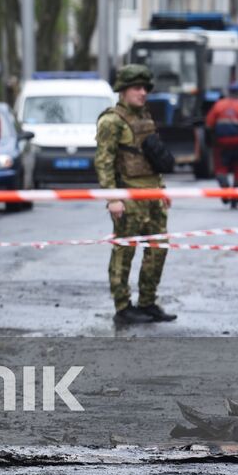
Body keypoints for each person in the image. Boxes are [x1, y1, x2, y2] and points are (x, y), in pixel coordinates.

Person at [95, 64, 176, 326]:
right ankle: (123, 307)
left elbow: (151, 156)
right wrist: (113, 198)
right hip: (128, 198)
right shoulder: (111, 121)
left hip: (152, 196)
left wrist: (161, 189)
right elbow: (104, 162)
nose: (143, 93)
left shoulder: (145, 117)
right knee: (124, 252)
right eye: (137, 88)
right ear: (123, 90)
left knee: (157, 250)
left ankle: (148, 302)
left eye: (145, 88)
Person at [204, 81, 238, 208]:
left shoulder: (218, 106)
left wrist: (211, 142)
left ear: (228, 92)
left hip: (221, 144)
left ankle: (225, 188)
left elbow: (208, 126)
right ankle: (235, 199)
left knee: (221, 168)